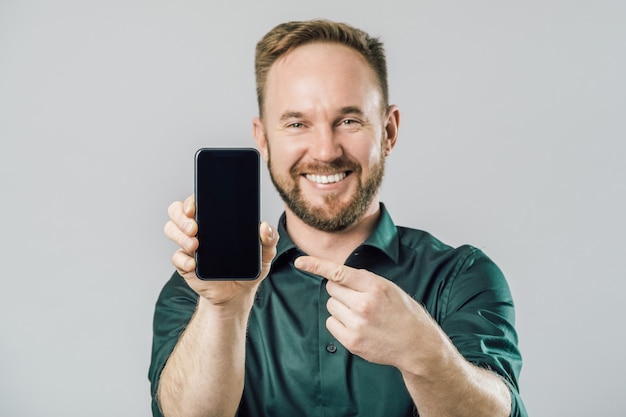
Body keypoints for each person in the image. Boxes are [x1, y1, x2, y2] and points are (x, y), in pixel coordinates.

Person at [149, 19, 527, 417]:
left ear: (389, 130)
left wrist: (424, 355)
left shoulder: (460, 277)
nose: (326, 151)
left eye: (348, 120)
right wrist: (224, 312)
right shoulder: (202, 289)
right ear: (263, 138)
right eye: (297, 124)